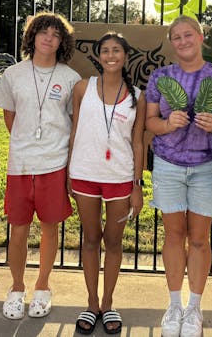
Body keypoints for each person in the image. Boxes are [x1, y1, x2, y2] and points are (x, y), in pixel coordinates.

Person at [0, 12, 81, 320]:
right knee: (18, 230)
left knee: (49, 229)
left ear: (62, 42)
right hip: (21, 164)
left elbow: (73, 120)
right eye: (42, 32)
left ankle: (42, 287)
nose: (48, 38)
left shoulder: (70, 78)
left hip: (54, 163)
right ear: (32, 37)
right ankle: (16, 288)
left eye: (55, 34)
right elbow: (9, 117)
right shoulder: (13, 74)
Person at [144, 15, 212, 337]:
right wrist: (167, 124)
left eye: (188, 35)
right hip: (168, 164)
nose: (182, 41)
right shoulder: (161, 76)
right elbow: (150, 121)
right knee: (174, 236)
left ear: (201, 36)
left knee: (199, 238)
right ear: (171, 42)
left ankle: (195, 308)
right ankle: (174, 305)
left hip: (207, 165)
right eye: (176, 37)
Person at [68, 32, 147, 335]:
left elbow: (139, 143)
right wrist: (68, 172)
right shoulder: (82, 88)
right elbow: (74, 131)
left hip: (119, 177)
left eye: (116, 50)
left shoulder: (138, 96)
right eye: (105, 51)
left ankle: (108, 301)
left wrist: (137, 185)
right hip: (85, 173)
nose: (110, 55)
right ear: (98, 56)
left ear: (126, 56)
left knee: (113, 242)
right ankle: (91, 304)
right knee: (90, 239)